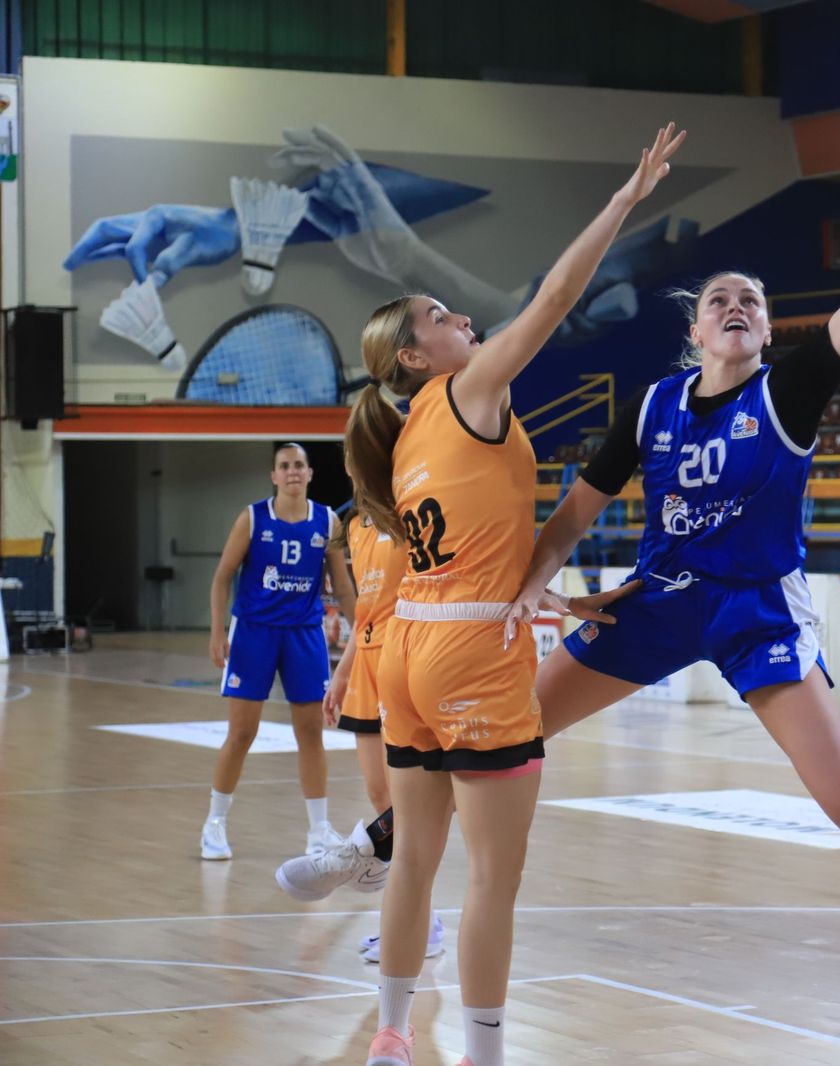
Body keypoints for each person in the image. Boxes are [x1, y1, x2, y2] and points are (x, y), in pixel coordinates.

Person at [420, 77, 840, 1020]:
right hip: (657, 598)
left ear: (765, 333)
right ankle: (404, 877)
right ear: (693, 330)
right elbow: (570, 517)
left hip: (756, 608)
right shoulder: (650, 407)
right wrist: (531, 586)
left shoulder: (790, 392)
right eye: (720, 299)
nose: (737, 305)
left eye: (752, 302)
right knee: (492, 733)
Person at [319, 123, 686, 1066]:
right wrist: (624, 201)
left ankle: (394, 1034)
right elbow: (556, 296)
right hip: (472, 659)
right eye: (442, 314)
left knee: (416, 865)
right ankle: (483, 1054)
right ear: (416, 354)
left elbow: (450, 560)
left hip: (412, 652)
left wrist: (541, 593)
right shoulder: (469, 388)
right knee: (492, 880)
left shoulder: (398, 439)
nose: (462, 320)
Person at [203, 442, 356, 862]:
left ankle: (319, 831)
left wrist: (366, 628)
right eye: (284, 466)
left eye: (299, 466)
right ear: (273, 476)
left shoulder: (327, 520)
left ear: (309, 474)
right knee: (242, 733)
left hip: (303, 633)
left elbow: (341, 586)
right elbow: (222, 578)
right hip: (254, 631)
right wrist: (218, 632)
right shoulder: (253, 518)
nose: (292, 472)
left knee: (311, 733)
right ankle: (215, 823)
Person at [313, 495, 446, 963]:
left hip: (402, 656)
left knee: (407, 802)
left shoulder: (407, 514)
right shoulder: (355, 526)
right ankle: (422, 922)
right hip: (365, 662)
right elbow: (365, 609)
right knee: (379, 796)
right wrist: (343, 671)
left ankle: (419, 926)